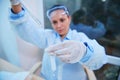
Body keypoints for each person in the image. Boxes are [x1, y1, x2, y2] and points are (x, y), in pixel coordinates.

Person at [9, 0, 107, 80]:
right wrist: (16, 4)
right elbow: (28, 30)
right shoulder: (47, 36)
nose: (59, 26)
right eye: (54, 22)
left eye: (62, 20)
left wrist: (84, 51)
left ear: (69, 18)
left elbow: (100, 57)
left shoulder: (79, 38)